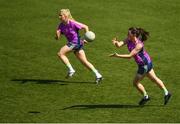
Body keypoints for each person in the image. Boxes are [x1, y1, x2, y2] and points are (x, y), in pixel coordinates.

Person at [109, 27, 171, 105]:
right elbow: (119, 45)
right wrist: (115, 42)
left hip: (144, 65)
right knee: (154, 79)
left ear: (134, 35)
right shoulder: (128, 39)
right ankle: (166, 93)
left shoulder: (139, 45)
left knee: (135, 83)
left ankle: (146, 96)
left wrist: (117, 55)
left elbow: (129, 56)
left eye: (129, 33)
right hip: (148, 62)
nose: (127, 34)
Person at [55, 9, 102, 83]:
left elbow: (85, 27)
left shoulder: (72, 23)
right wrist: (57, 35)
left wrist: (86, 37)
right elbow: (57, 38)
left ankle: (71, 70)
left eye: (60, 15)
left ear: (65, 16)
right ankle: (98, 75)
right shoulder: (60, 25)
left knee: (60, 53)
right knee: (84, 62)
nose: (59, 16)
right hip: (76, 43)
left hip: (75, 42)